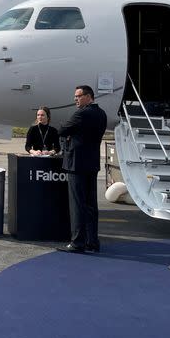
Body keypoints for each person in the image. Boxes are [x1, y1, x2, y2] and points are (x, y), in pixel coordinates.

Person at [57, 85, 107, 253]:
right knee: (91, 205)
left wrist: (70, 133)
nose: (75, 99)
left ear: (89, 96)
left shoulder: (82, 113)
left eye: (78, 96)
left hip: (77, 165)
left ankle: (77, 242)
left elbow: (62, 130)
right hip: (92, 164)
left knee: (77, 204)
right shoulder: (101, 113)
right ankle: (92, 241)